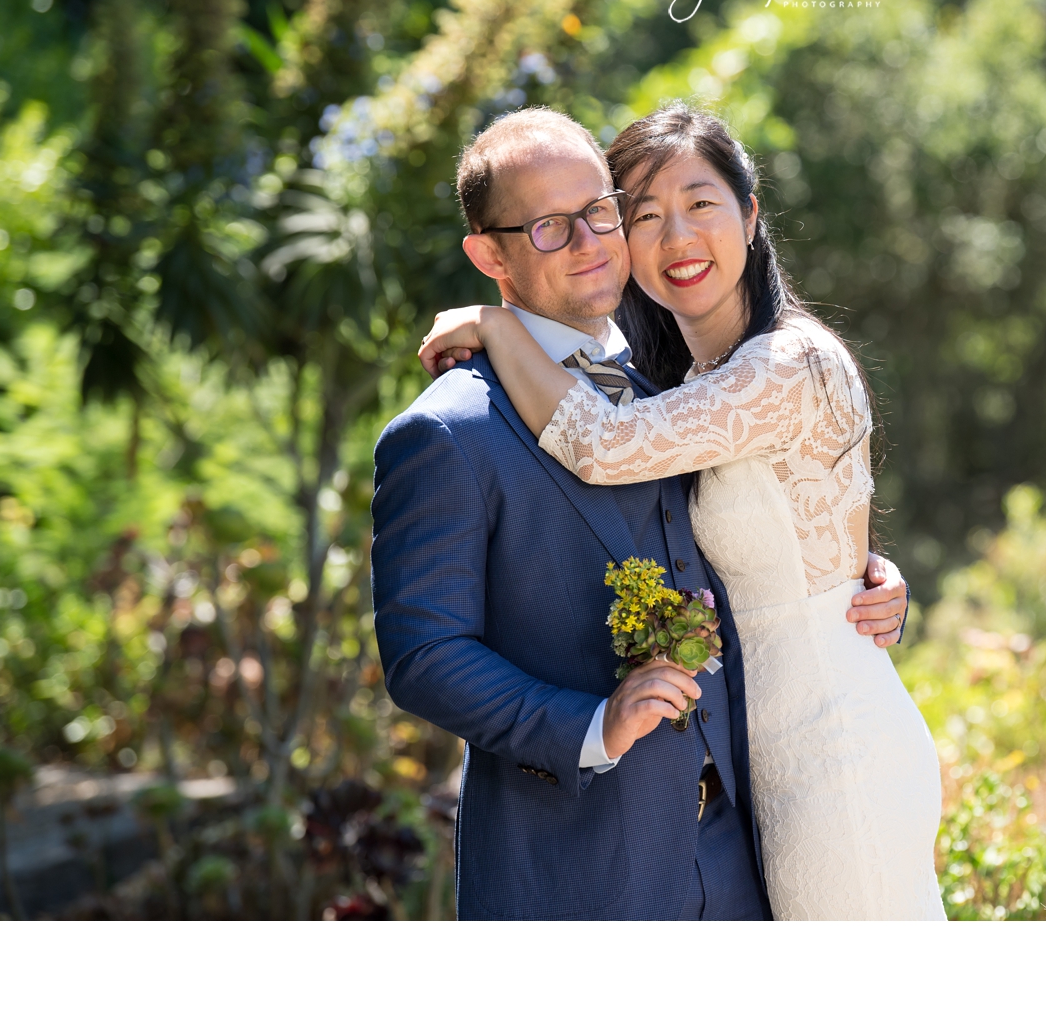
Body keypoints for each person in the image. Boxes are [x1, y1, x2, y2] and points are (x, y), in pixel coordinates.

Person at [373, 105, 910, 920]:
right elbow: (424, 655)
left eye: (599, 212)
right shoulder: (450, 430)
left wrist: (866, 582)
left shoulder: (684, 390)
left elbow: (779, 528)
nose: (592, 241)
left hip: (751, 845)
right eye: (551, 227)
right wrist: (590, 723)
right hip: (579, 867)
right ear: (488, 253)